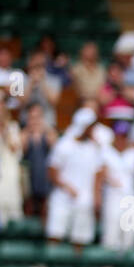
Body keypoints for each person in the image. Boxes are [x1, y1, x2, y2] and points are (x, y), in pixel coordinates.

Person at [45, 107, 102, 253]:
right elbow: (52, 172)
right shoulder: (64, 145)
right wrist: (67, 187)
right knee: (55, 234)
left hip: (84, 200)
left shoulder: (94, 148)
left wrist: (96, 197)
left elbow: (97, 173)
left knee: (80, 239)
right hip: (62, 199)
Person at [98, 120, 134, 252]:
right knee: (110, 235)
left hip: (130, 197)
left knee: (129, 235)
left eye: (124, 135)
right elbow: (100, 174)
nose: (121, 139)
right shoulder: (106, 151)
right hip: (112, 196)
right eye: (119, 135)